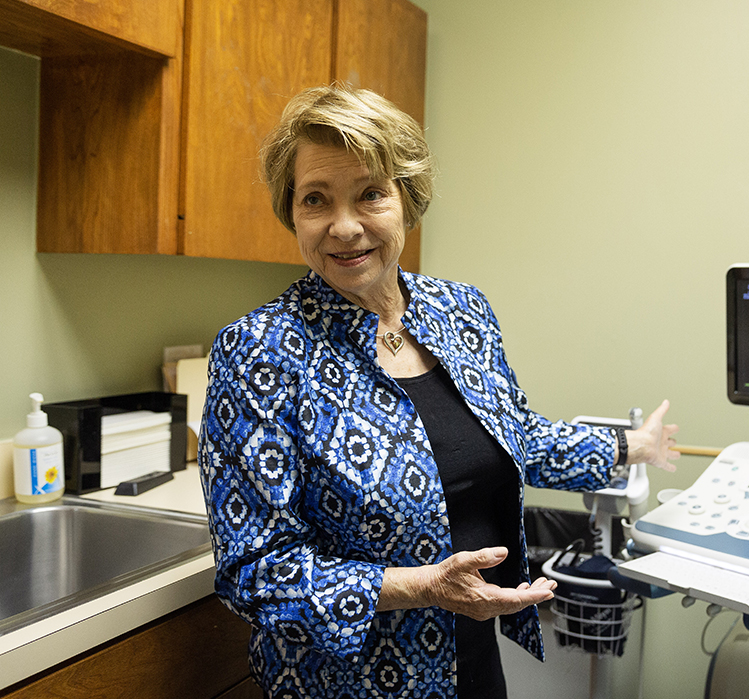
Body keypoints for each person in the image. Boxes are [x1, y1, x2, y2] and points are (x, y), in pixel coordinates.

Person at [198, 84, 681, 699]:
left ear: (407, 199)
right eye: (316, 199)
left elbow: (516, 435)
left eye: (370, 193)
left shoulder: (460, 311)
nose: (345, 228)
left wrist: (629, 446)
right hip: (349, 683)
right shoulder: (257, 353)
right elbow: (253, 571)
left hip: (472, 663)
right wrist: (424, 587)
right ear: (291, 212)